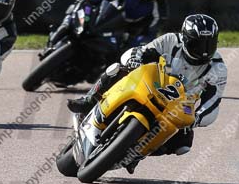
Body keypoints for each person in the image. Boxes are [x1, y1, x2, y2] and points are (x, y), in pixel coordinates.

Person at [68, 14, 227, 166]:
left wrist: (197, 119)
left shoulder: (218, 68)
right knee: (118, 69)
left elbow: (213, 102)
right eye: (197, 44)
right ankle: (89, 100)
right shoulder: (171, 41)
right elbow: (145, 51)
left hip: (178, 107)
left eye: (209, 44)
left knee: (182, 145)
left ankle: (137, 154)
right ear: (185, 39)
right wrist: (136, 59)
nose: (204, 51)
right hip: (153, 85)